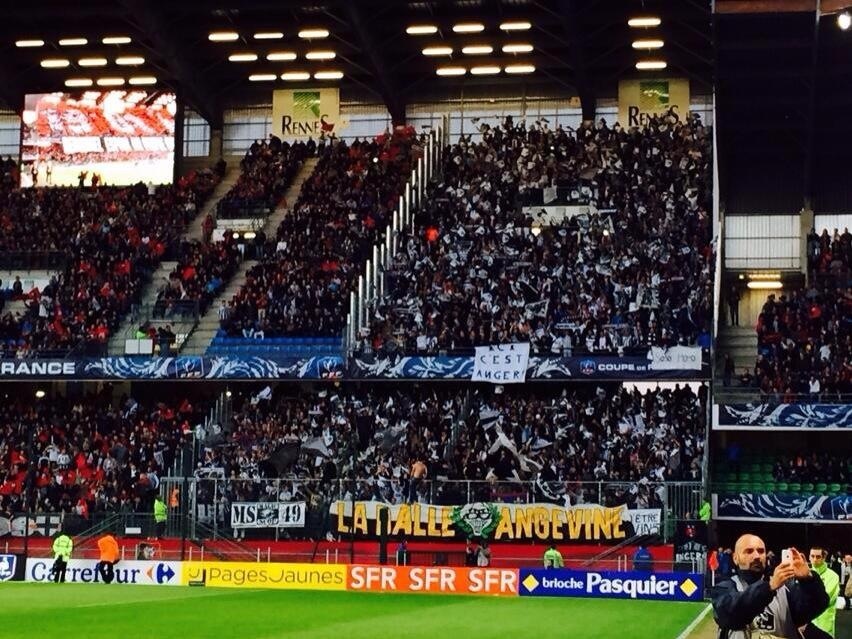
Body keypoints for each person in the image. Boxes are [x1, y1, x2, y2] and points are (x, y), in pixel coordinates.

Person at [712, 534, 829, 639]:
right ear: (735, 558)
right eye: (749, 551)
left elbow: (816, 607)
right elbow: (730, 614)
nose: (757, 556)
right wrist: (768, 588)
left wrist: (808, 580)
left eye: (761, 551)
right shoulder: (724, 588)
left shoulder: (786, 588)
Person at [807, 547, 839, 638]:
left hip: (824, 625)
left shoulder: (833, 576)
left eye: (818, 557)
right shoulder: (805, 574)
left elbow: (824, 600)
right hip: (807, 625)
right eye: (812, 556)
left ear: (824, 558)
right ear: (809, 557)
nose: (815, 559)